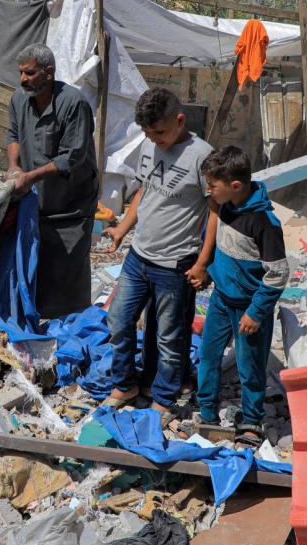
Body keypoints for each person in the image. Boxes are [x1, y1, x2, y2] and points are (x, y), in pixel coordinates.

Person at [100, 89, 214, 418]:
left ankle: (163, 397)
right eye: (148, 134)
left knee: (169, 337)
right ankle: (126, 384)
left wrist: (203, 262)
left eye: (160, 132)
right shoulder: (150, 144)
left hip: (175, 264)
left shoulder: (202, 156)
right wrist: (123, 229)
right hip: (139, 257)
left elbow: (215, 213)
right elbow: (145, 189)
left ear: (180, 121)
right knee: (118, 321)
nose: (155, 140)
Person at [194, 146, 287, 448]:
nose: (208, 191)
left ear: (235, 185)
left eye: (212, 185)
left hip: (248, 308)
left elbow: (278, 274)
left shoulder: (264, 223)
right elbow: (223, 248)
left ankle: (250, 420)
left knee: (250, 365)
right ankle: (206, 412)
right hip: (222, 299)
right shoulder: (226, 204)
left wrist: (256, 312)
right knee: (208, 355)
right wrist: (208, 269)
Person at [6, 43, 99, 320]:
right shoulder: (18, 99)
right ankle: (40, 320)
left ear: (49, 72)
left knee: (68, 271)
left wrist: (29, 176)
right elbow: (13, 135)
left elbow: (71, 157)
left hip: (71, 206)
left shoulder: (74, 103)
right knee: (36, 265)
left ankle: (72, 326)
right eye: (21, 73)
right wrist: (13, 166)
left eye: (30, 73)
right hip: (36, 201)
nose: (23, 79)